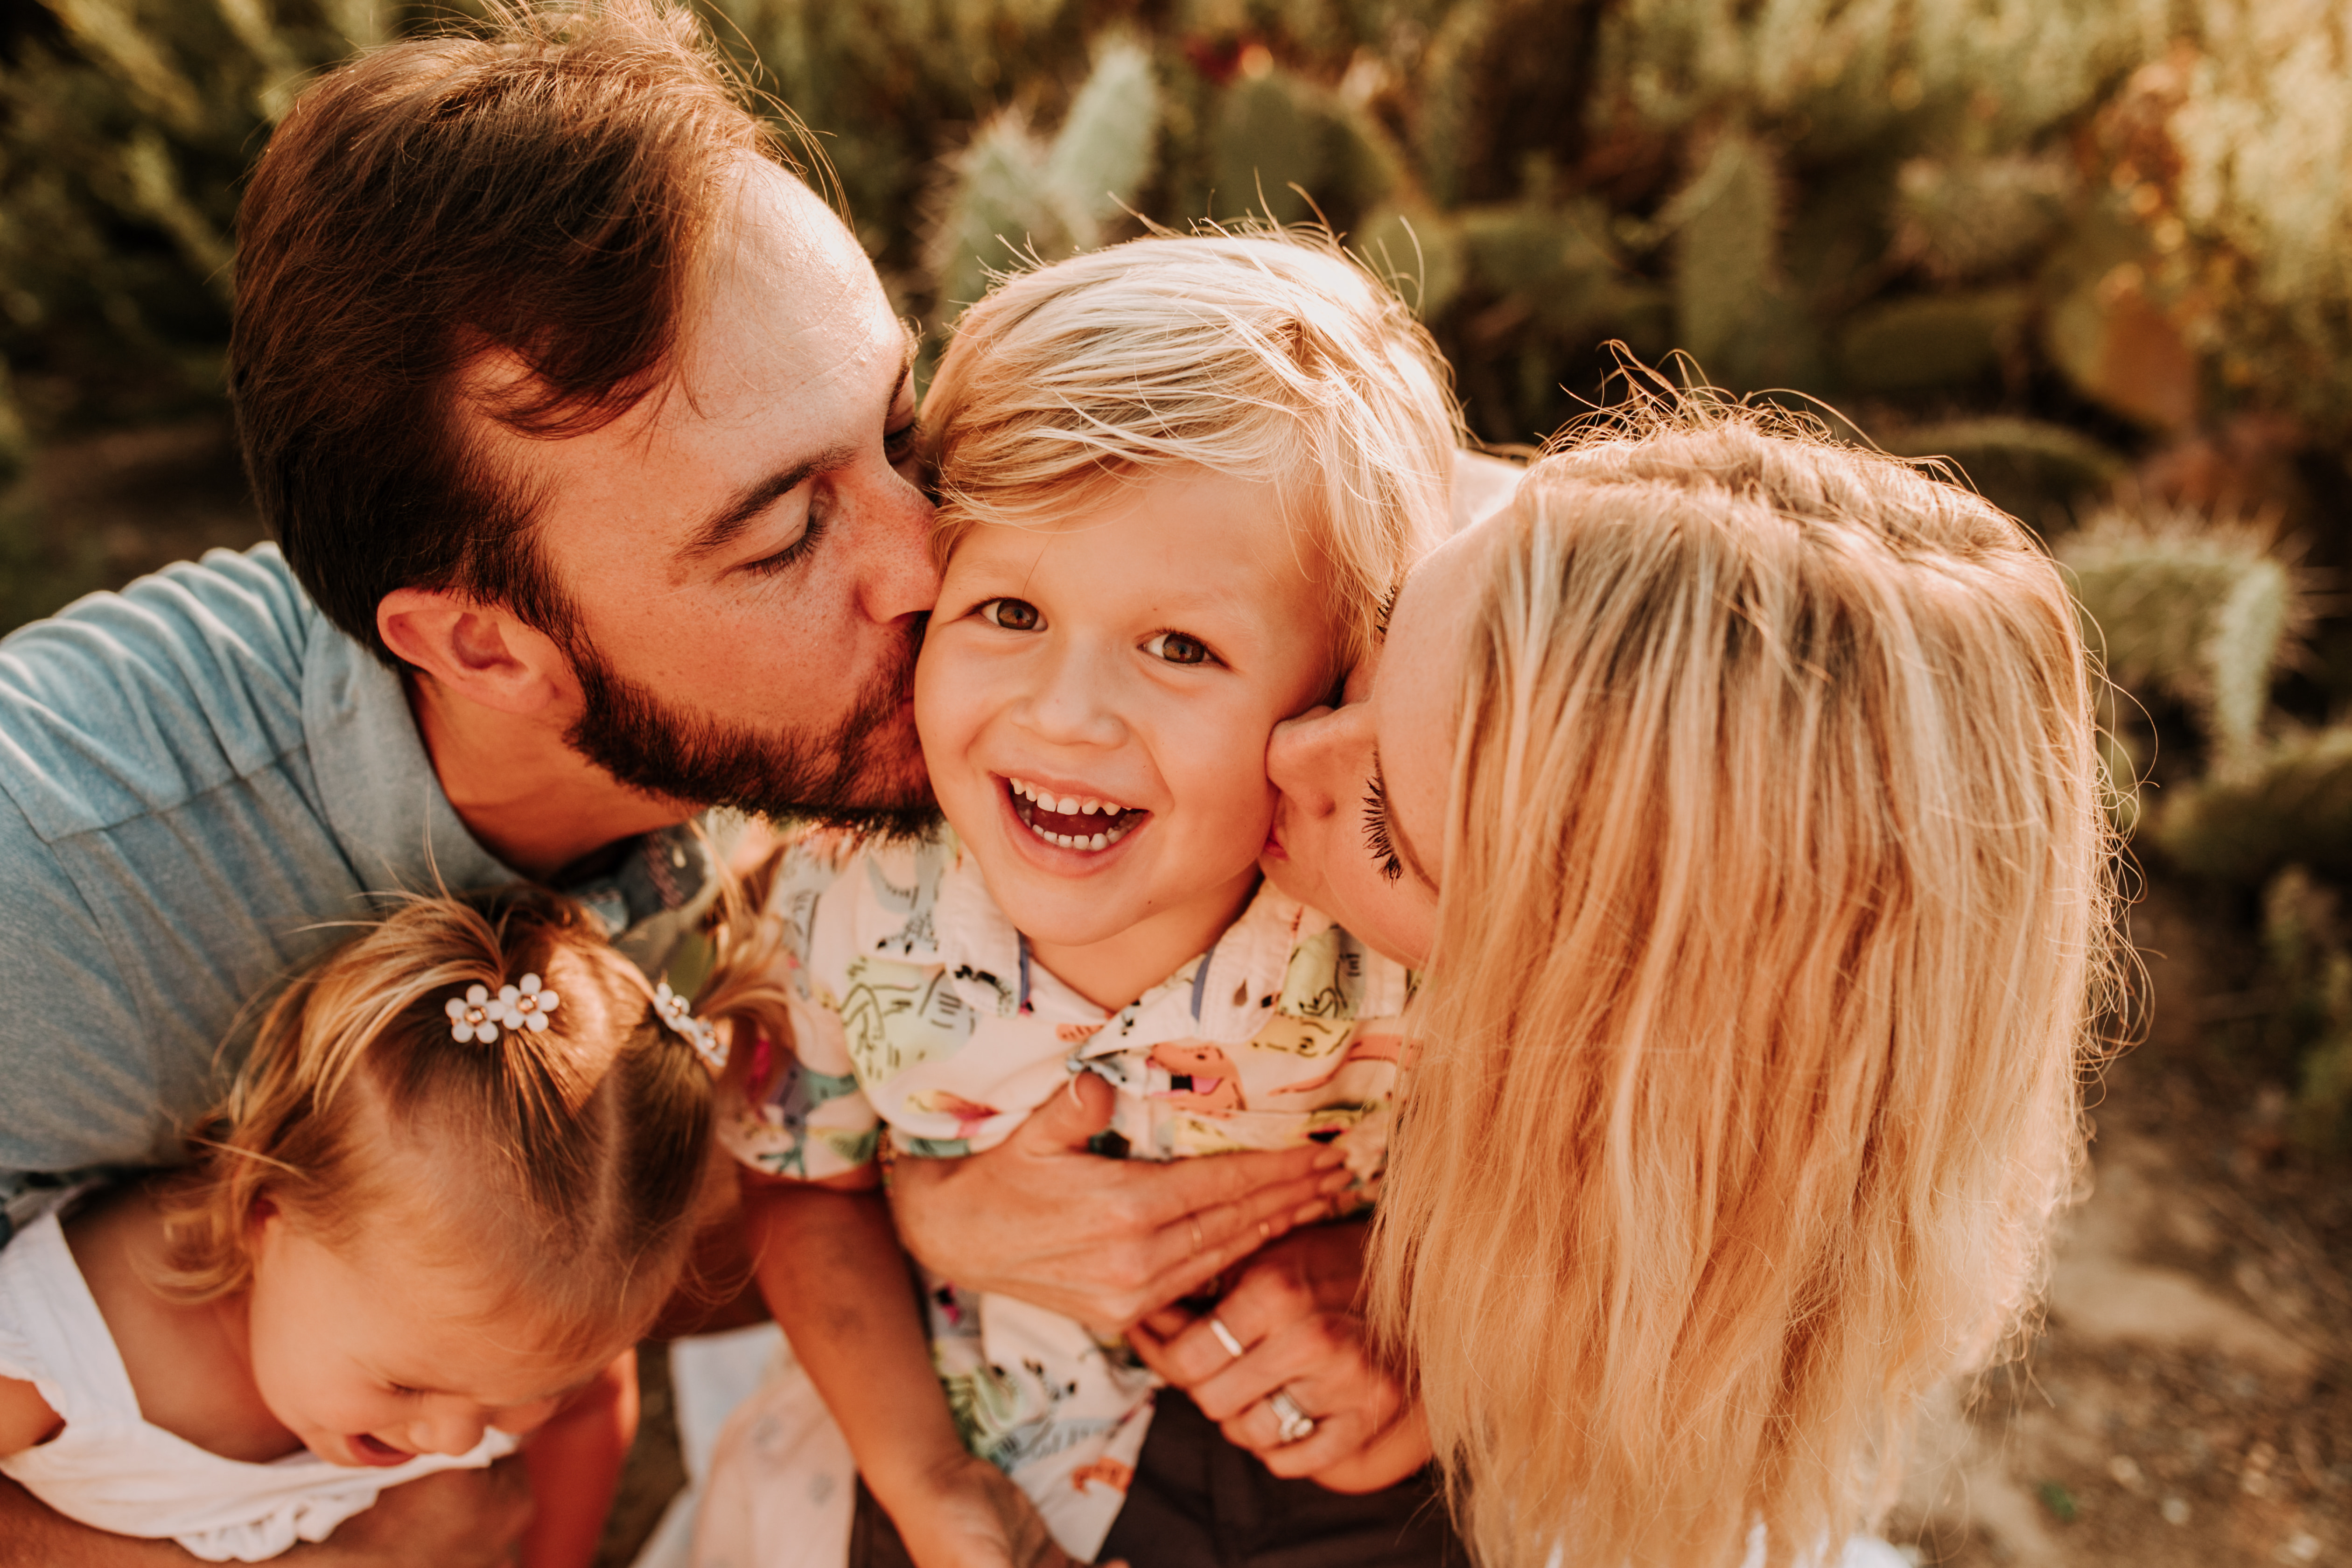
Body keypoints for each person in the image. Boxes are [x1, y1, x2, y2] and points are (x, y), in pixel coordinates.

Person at [0, 5, 1387, 1558]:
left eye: (895, 423)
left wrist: (945, 1206)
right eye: (786, 535)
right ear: (490, 649)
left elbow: (614, 1214)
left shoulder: (814, 710)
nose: (934, 562)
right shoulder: (52, 893)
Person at [1231, 395, 2115, 1566]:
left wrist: (1453, 1355)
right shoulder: (1441, 531)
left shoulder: (1743, 1207)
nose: (1287, 747)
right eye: (1382, 633)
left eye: (1392, 836)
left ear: (1594, 1029)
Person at [692, 232, 1463, 1568]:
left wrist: (1436, 1339)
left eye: (1181, 647)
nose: (1065, 714)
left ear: (1343, 681)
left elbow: (1568, 1195)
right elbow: (800, 1185)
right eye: (1008, 612)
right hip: (987, 1470)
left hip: (1359, 1471)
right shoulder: (838, 897)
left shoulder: (1403, 927)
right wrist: (932, 1494)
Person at [0, 883, 786, 1565]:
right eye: (406, 1383)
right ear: (264, 1213)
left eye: (523, 1394)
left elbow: (587, 1409)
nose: (453, 1440)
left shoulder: (482, 1350)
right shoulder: (68, 1361)